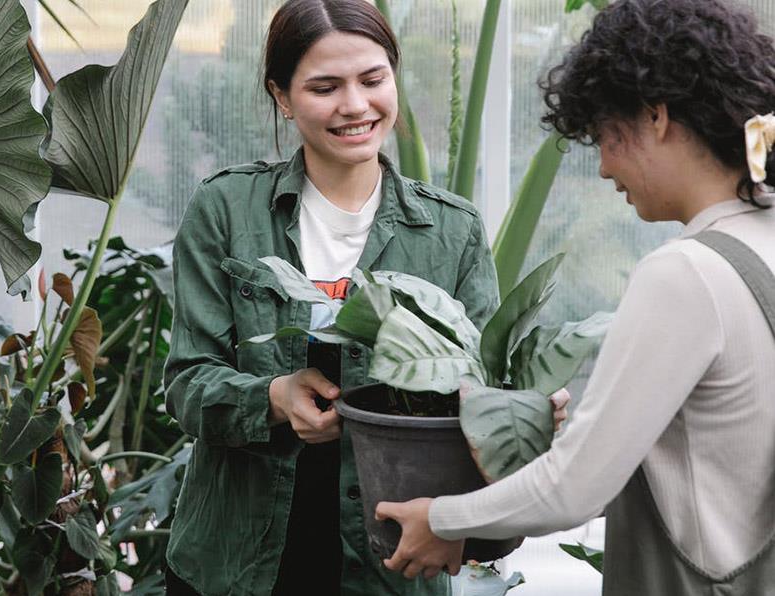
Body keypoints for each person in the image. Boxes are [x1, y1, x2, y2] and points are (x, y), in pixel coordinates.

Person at [162, 1, 569, 594]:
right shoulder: (226, 211)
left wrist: (526, 407)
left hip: (393, 561)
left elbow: (480, 385)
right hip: (238, 559)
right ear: (282, 95)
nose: (355, 106)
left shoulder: (451, 231)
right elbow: (186, 383)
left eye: (373, 80)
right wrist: (274, 397)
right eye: (324, 87)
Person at [376, 0, 775, 593]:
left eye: (603, 137)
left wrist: (442, 519)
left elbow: (576, 486)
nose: (605, 169)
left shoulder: (687, 272)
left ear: (656, 116)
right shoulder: (764, 240)